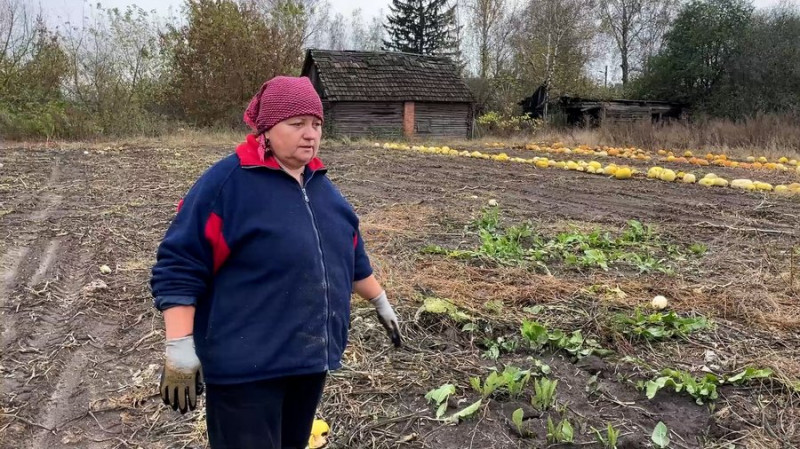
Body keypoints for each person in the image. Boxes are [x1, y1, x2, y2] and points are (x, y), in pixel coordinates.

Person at [150, 75, 402, 449]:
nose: (309, 134)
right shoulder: (228, 185)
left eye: (316, 124)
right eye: (296, 123)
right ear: (266, 129)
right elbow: (180, 265)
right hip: (245, 370)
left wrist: (380, 301)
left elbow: (349, 254)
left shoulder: (321, 186)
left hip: (308, 362)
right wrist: (179, 348)